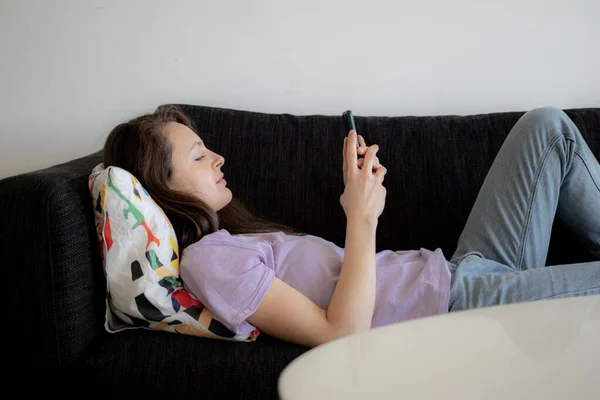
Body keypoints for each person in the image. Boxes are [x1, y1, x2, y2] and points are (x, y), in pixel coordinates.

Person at [103, 105, 600, 348]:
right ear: (161, 189)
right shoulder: (207, 260)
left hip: (459, 269)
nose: (218, 156)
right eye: (198, 155)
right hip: (457, 308)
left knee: (547, 129)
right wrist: (361, 216)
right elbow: (341, 334)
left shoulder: (233, 240)